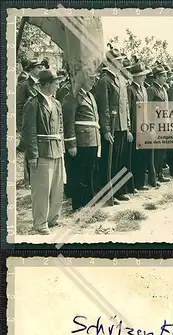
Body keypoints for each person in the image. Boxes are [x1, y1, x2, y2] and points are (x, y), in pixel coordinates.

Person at [21, 69, 65, 235]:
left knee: (57, 187)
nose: (58, 85)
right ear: (46, 84)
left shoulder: (57, 103)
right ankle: (40, 223)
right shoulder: (32, 104)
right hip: (41, 151)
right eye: (56, 83)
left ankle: (53, 218)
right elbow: (29, 132)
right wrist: (32, 155)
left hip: (57, 150)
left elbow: (61, 127)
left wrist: (62, 148)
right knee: (41, 189)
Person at [93, 47, 133, 204]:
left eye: (122, 59)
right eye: (118, 60)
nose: (121, 62)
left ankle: (119, 191)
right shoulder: (104, 81)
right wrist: (106, 130)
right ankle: (108, 194)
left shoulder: (122, 80)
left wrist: (128, 127)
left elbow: (125, 106)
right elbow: (104, 108)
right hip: (112, 128)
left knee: (120, 160)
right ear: (110, 62)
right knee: (109, 162)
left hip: (122, 127)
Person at [62, 72, 101, 211]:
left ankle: (88, 199)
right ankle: (78, 203)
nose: (94, 80)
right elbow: (68, 122)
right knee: (78, 172)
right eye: (90, 78)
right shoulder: (72, 97)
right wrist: (71, 144)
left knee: (89, 171)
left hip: (92, 139)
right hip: (80, 141)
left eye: (94, 78)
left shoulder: (90, 95)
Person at [127, 62, 156, 191]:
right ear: (137, 76)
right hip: (135, 129)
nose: (145, 77)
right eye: (143, 75)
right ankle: (134, 185)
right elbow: (128, 110)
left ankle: (140, 183)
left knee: (144, 157)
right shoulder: (130, 89)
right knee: (135, 158)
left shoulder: (144, 89)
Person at [147, 64, 171, 183]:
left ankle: (159, 173)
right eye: (163, 76)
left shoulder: (164, 90)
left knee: (162, 151)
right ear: (156, 77)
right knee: (156, 152)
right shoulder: (151, 90)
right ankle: (154, 176)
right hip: (156, 126)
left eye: (166, 75)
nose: (165, 78)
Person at [16, 58, 43, 133]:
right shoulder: (23, 85)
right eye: (38, 67)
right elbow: (19, 108)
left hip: (42, 126)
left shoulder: (43, 84)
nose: (41, 69)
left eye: (42, 67)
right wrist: (21, 129)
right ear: (31, 70)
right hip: (29, 126)